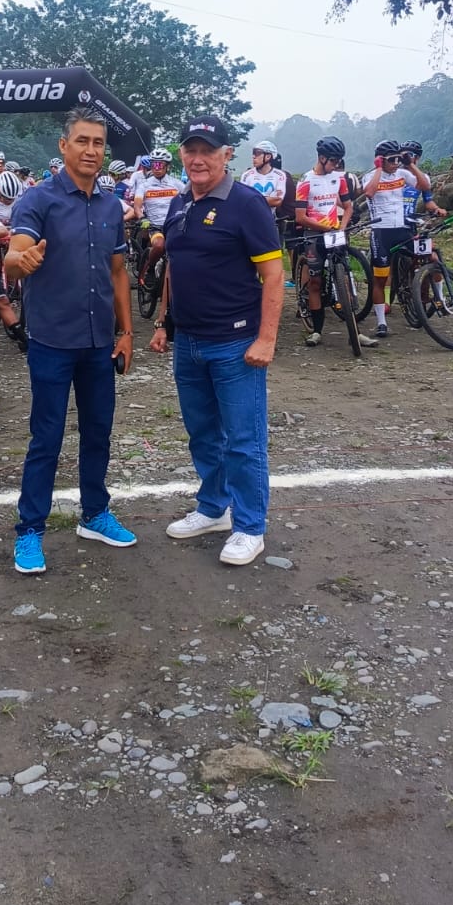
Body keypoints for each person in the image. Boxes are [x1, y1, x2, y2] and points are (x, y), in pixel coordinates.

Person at [5, 108, 136, 575]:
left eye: (98, 143)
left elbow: (118, 273)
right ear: (64, 146)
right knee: (47, 436)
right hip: (52, 341)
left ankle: (95, 514)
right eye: (82, 141)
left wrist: (126, 332)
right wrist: (21, 262)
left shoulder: (110, 206)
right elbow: (15, 254)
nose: (91, 150)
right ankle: (30, 530)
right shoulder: (37, 200)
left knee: (98, 431)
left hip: (99, 342)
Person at [149, 116, 284, 567]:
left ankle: (250, 527)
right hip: (188, 341)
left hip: (235, 343)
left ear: (226, 154)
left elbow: (273, 275)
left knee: (243, 440)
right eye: (190, 150)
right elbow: (174, 267)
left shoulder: (247, 204)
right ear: (181, 155)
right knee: (203, 433)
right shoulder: (179, 202)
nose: (198, 159)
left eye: (207, 150)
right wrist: (164, 322)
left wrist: (266, 339)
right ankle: (213, 509)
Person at [362, 139, 444, 339]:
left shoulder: (402, 173)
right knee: (381, 278)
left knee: (431, 257)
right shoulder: (370, 176)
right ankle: (381, 322)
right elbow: (369, 192)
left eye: (398, 159)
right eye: (392, 159)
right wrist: (379, 168)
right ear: (381, 159)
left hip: (403, 230)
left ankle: (434, 298)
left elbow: (425, 186)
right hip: (381, 233)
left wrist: (410, 165)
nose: (396, 163)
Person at [295, 135, 355, 346]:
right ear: (321, 158)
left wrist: (342, 227)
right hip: (314, 235)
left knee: (344, 278)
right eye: (333, 160)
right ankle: (317, 331)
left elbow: (348, 207)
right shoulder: (305, 181)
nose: (336, 165)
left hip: (334, 232)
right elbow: (300, 217)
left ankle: (354, 330)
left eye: (339, 161)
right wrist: (326, 228)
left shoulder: (339, 178)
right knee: (315, 282)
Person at [132, 148, 182, 284]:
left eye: (160, 165)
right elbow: (137, 206)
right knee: (159, 246)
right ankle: (149, 269)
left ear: (168, 167)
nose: (156, 168)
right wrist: (142, 217)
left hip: (173, 227)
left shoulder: (177, 184)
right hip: (154, 227)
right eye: (154, 164)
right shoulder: (144, 185)